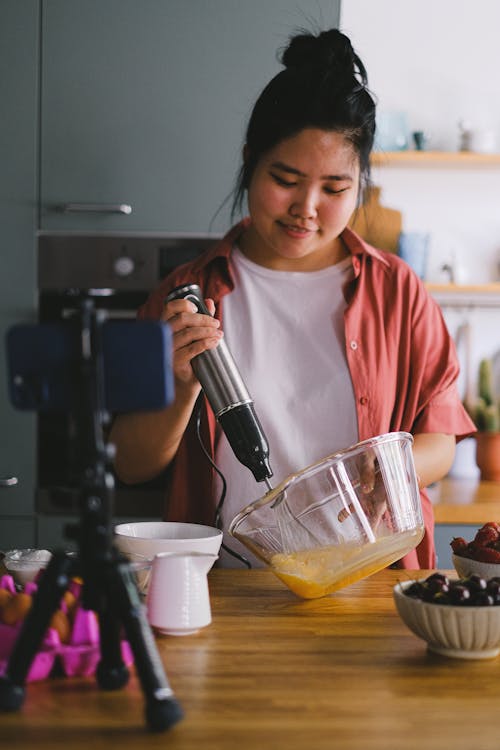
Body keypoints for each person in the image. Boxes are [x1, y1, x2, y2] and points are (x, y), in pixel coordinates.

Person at [109, 28, 475, 568]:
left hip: (370, 582)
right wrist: (183, 385)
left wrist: (392, 467)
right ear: (249, 160)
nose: (306, 207)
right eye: (285, 178)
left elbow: (440, 442)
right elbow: (130, 463)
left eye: (333, 189)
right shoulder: (186, 295)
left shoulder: (398, 291)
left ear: (360, 187)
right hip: (226, 587)